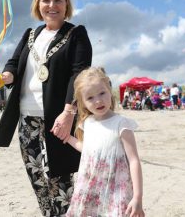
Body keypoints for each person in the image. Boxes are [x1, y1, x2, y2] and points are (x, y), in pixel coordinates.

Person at [0, 0, 92, 216]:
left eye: (58, 0)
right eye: (46, 0)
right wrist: (3, 77)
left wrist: (68, 113)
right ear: (38, 4)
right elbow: (14, 66)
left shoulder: (76, 34)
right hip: (27, 122)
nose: (51, 5)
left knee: (61, 183)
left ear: (66, 5)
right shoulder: (30, 34)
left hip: (58, 120)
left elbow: (80, 74)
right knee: (38, 182)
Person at [57, 67, 144, 217]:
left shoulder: (121, 123)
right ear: (82, 102)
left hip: (117, 191)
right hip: (91, 189)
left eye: (102, 93)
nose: (98, 101)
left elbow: (134, 160)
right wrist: (69, 138)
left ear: (109, 90)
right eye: (90, 98)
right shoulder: (87, 123)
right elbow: (88, 150)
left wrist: (137, 197)